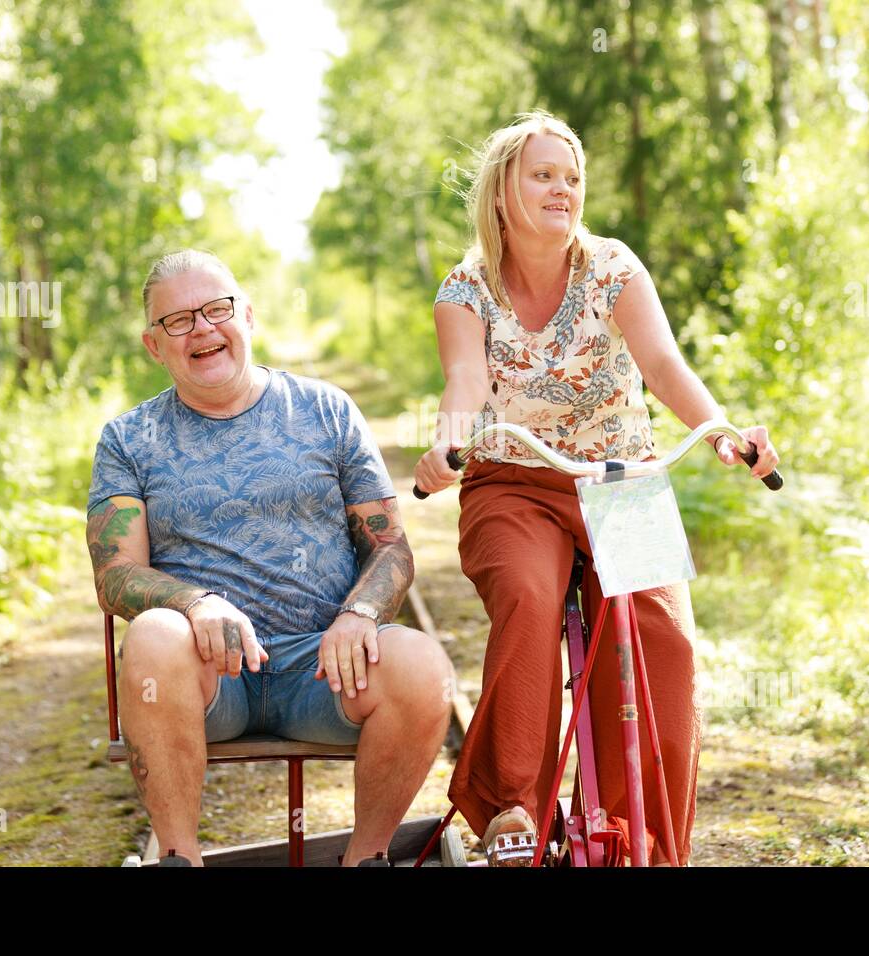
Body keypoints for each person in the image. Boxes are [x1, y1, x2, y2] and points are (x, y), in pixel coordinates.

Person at [414, 112, 780, 866]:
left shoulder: (614, 268)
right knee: (528, 597)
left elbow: (664, 364)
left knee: (663, 641)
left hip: (622, 480)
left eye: (573, 176)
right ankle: (511, 808)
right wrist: (449, 442)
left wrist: (719, 430)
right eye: (543, 175)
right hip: (516, 482)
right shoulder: (466, 288)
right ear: (502, 192)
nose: (563, 189)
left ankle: (645, 839)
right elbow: (465, 379)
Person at [87, 249, 453, 866]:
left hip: (326, 671)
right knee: (151, 635)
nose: (202, 328)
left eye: (216, 309)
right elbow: (115, 573)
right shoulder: (129, 439)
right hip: (208, 675)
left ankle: (366, 859)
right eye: (178, 321)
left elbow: (389, 547)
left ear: (247, 316)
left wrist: (360, 613)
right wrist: (195, 603)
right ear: (155, 346)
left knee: (421, 662)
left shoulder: (326, 411)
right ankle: (180, 858)